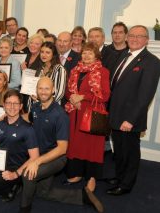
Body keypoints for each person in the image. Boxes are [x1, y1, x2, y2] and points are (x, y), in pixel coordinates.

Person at [19, 77, 104, 213]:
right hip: (40, 154)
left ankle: (24, 208)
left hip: (56, 158)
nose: (43, 92)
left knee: (28, 174)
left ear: (53, 90)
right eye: (40, 88)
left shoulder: (60, 115)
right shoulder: (36, 107)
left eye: (47, 88)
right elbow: (28, 117)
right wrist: (8, 116)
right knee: (43, 193)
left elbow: (62, 149)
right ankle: (82, 196)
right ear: (36, 90)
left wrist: (36, 162)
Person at [107, 25, 160, 196]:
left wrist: (130, 119)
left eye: (139, 36)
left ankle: (126, 184)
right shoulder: (125, 54)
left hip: (129, 118)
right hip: (116, 114)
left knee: (129, 152)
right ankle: (120, 177)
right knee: (119, 151)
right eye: (132, 35)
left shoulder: (152, 62)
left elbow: (145, 96)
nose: (134, 39)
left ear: (147, 40)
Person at [64, 42, 111, 192]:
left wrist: (82, 97)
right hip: (75, 113)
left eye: (90, 53)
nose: (86, 55)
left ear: (96, 55)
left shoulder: (102, 71)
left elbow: (104, 95)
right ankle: (77, 173)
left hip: (92, 114)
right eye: (84, 53)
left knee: (92, 148)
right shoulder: (75, 70)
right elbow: (67, 90)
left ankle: (91, 178)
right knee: (76, 145)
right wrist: (73, 98)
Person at [31, 42, 67, 107]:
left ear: (53, 54)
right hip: (36, 107)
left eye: (47, 52)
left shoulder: (59, 69)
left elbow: (59, 94)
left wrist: (42, 102)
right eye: (42, 52)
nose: (44, 55)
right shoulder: (40, 68)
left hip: (51, 109)